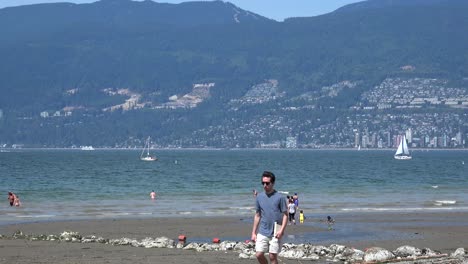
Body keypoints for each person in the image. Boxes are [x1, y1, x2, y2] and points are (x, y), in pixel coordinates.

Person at [251, 171, 288, 264]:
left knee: (272, 256)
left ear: (273, 183)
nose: (264, 185)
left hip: (276, 231)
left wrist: (282, 230)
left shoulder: (280, 197)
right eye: (263, 183)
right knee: (258, 254)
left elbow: (285, 215)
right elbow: (257, 215)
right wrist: (253, 233)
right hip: (262, 231)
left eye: (267, 183)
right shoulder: (259, 197)